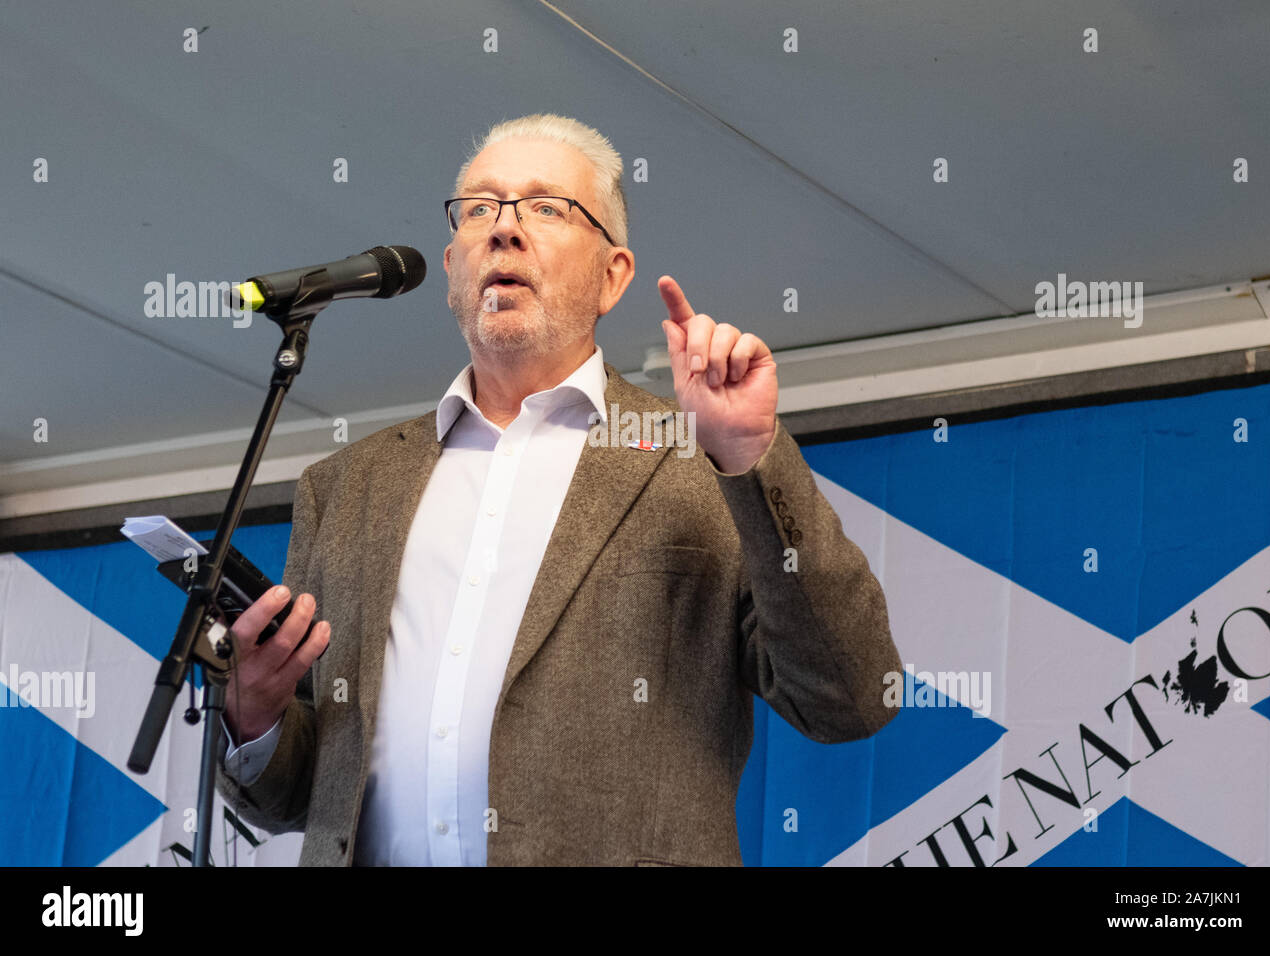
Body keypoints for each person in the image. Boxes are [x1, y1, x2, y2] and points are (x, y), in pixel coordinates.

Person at [215, 113, 901, 866]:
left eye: (545, 208)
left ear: (613, 275)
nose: (503, 231)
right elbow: (305, 794)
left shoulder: (696, 461)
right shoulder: (346, 488)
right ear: (451, 265)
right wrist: (256, 717)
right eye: (480, 208)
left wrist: (745, 454)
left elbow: (851, 697)